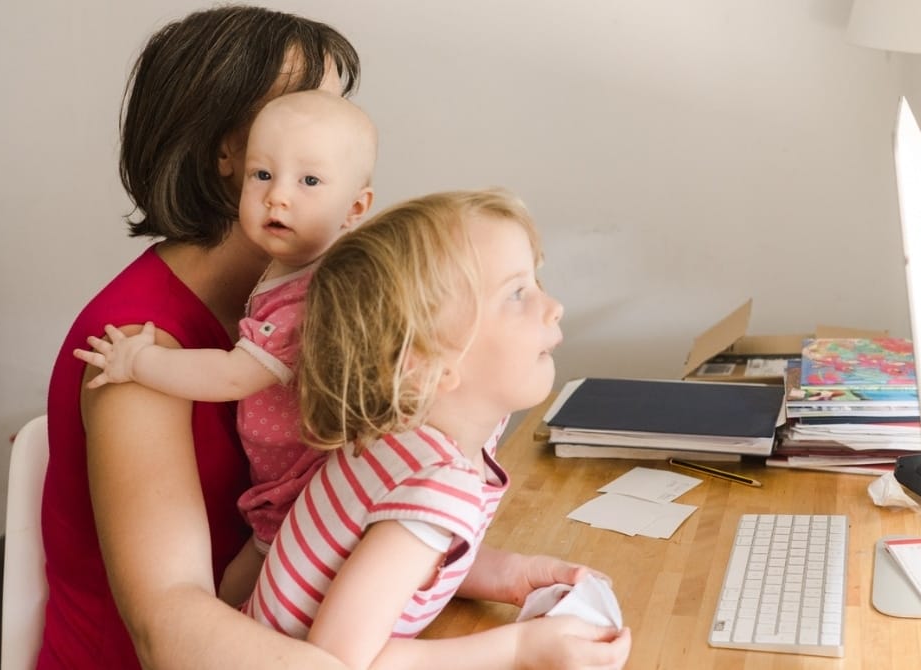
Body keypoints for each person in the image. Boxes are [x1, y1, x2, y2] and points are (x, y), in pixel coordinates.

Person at [38, 6, 364, 668]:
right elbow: (170, 627)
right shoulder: (135, 348)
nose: (338, 142)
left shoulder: (292, 304)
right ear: (230, 154)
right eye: (309, 110)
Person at [245, 189, 634, 669]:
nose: (553, 306)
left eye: (536, 281)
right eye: (517, 293)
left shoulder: (411, 433)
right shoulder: (434, 485)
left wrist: (515, 575)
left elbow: (419, 561)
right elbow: (338, 661)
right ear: (428, 366)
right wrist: (518, 650)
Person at [72, 88, 377, 606]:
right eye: (263, 175)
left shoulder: (310, 296)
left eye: (308, 181)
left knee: (244, 592)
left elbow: (235, 376)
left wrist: (140, 360)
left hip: (301, 489)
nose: (278, 196)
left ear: (355, 208)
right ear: (229, 160)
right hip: (296, 484)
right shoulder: (291, 274)